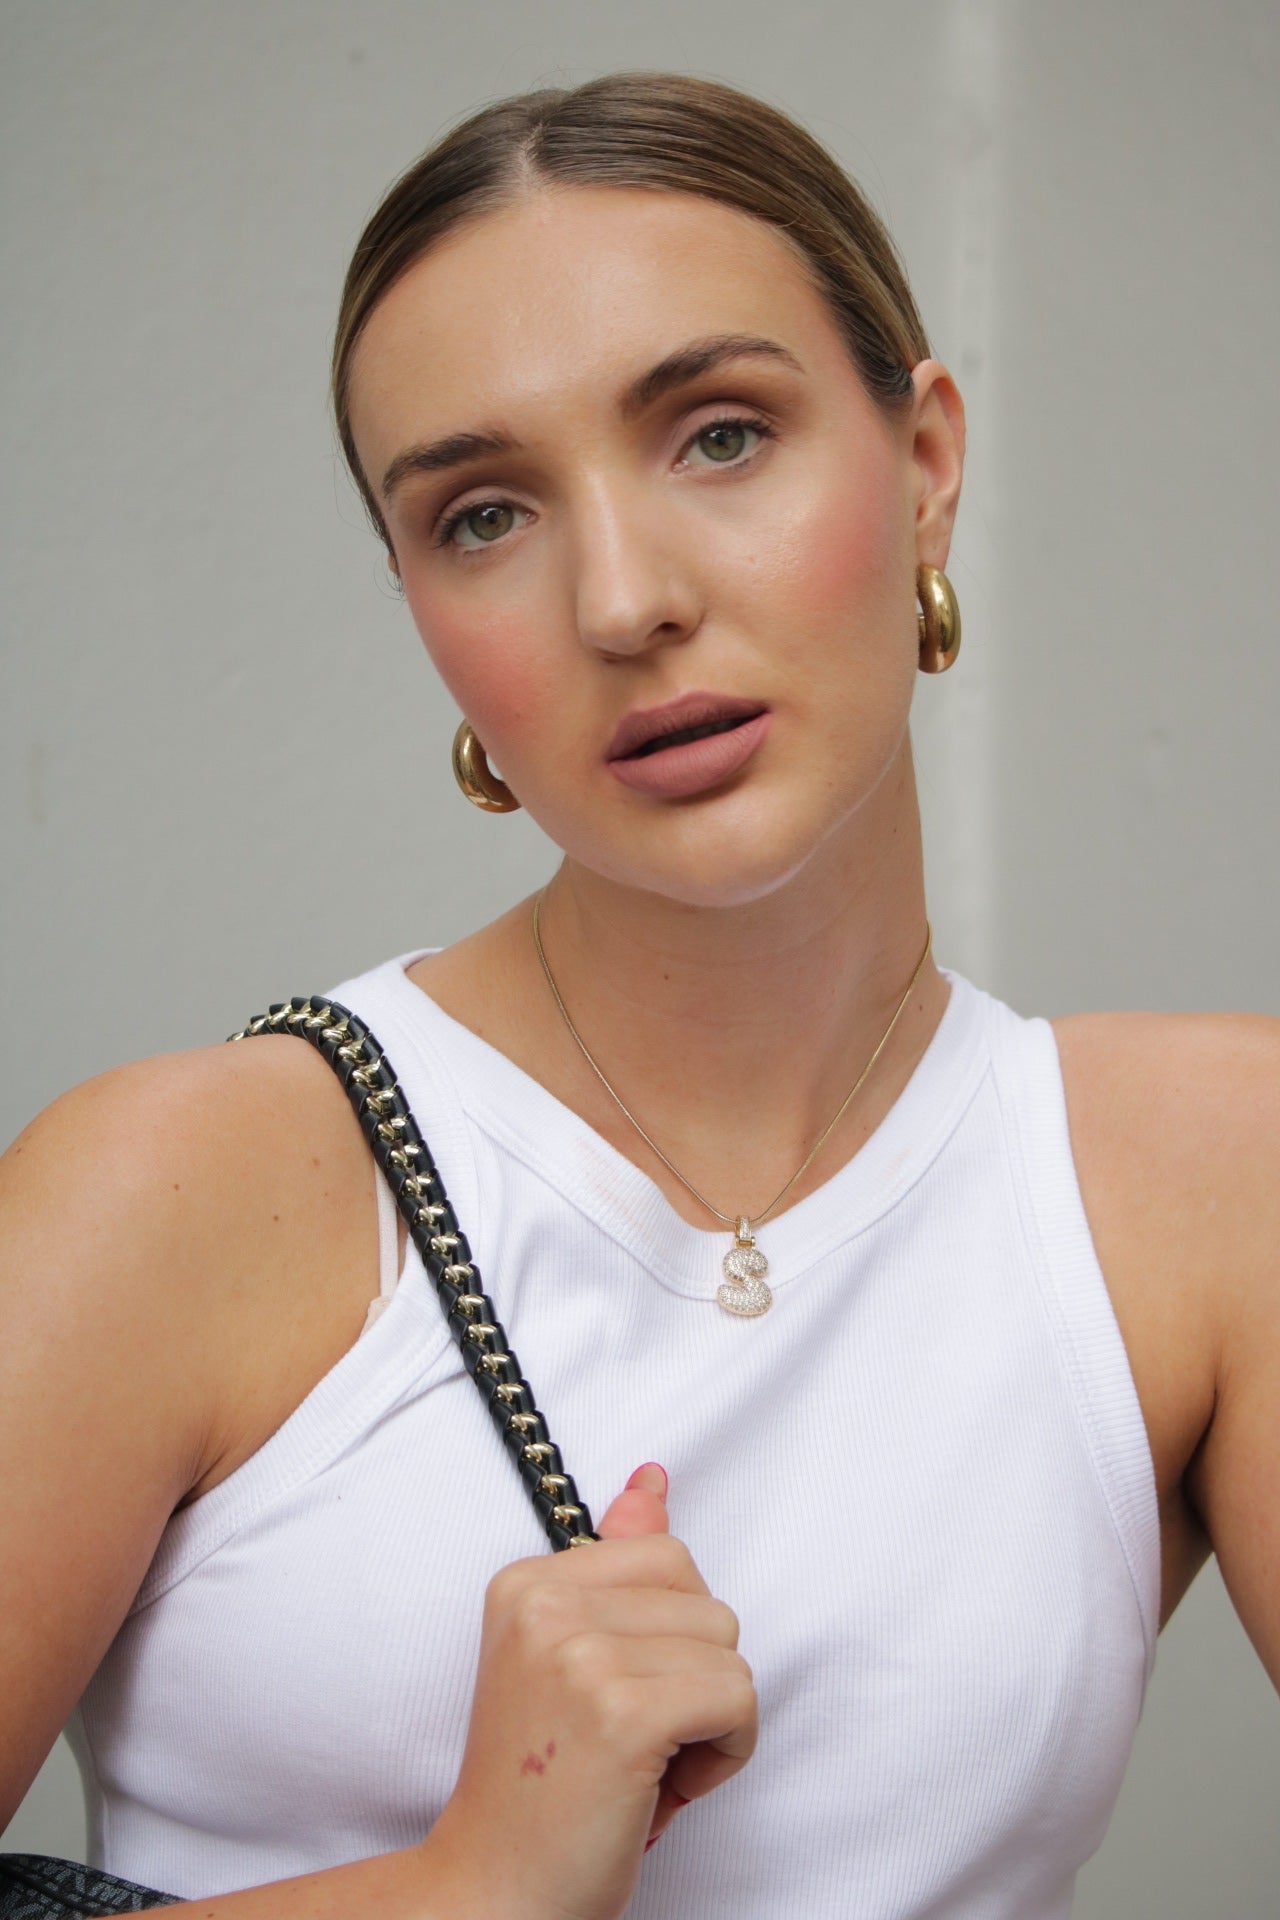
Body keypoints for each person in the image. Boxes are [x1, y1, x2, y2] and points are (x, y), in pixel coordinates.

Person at [1, 69, 1277, 1920]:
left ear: (925, 462)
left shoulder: (1206, 1180)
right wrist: (469, 1888)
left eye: (722, 435)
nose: (622, 599)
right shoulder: (172, 1192)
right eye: (484, 516)